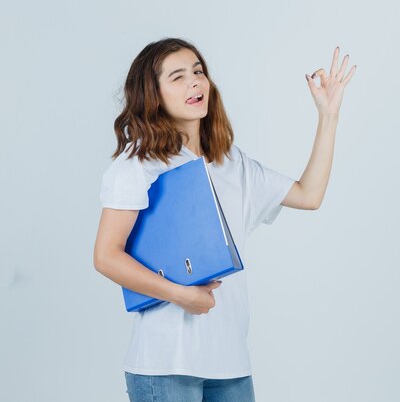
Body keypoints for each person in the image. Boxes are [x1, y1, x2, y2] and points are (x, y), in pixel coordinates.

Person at [93, 37, 356, 402]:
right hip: (166, 363)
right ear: (152, 95)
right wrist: (181, 295)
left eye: (198, 71)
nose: (195, 82)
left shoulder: (233, 163)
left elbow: (309, 195)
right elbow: (107, 255)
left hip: (230, 362)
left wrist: (328, 116)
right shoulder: (140, 164)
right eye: (178, 76)